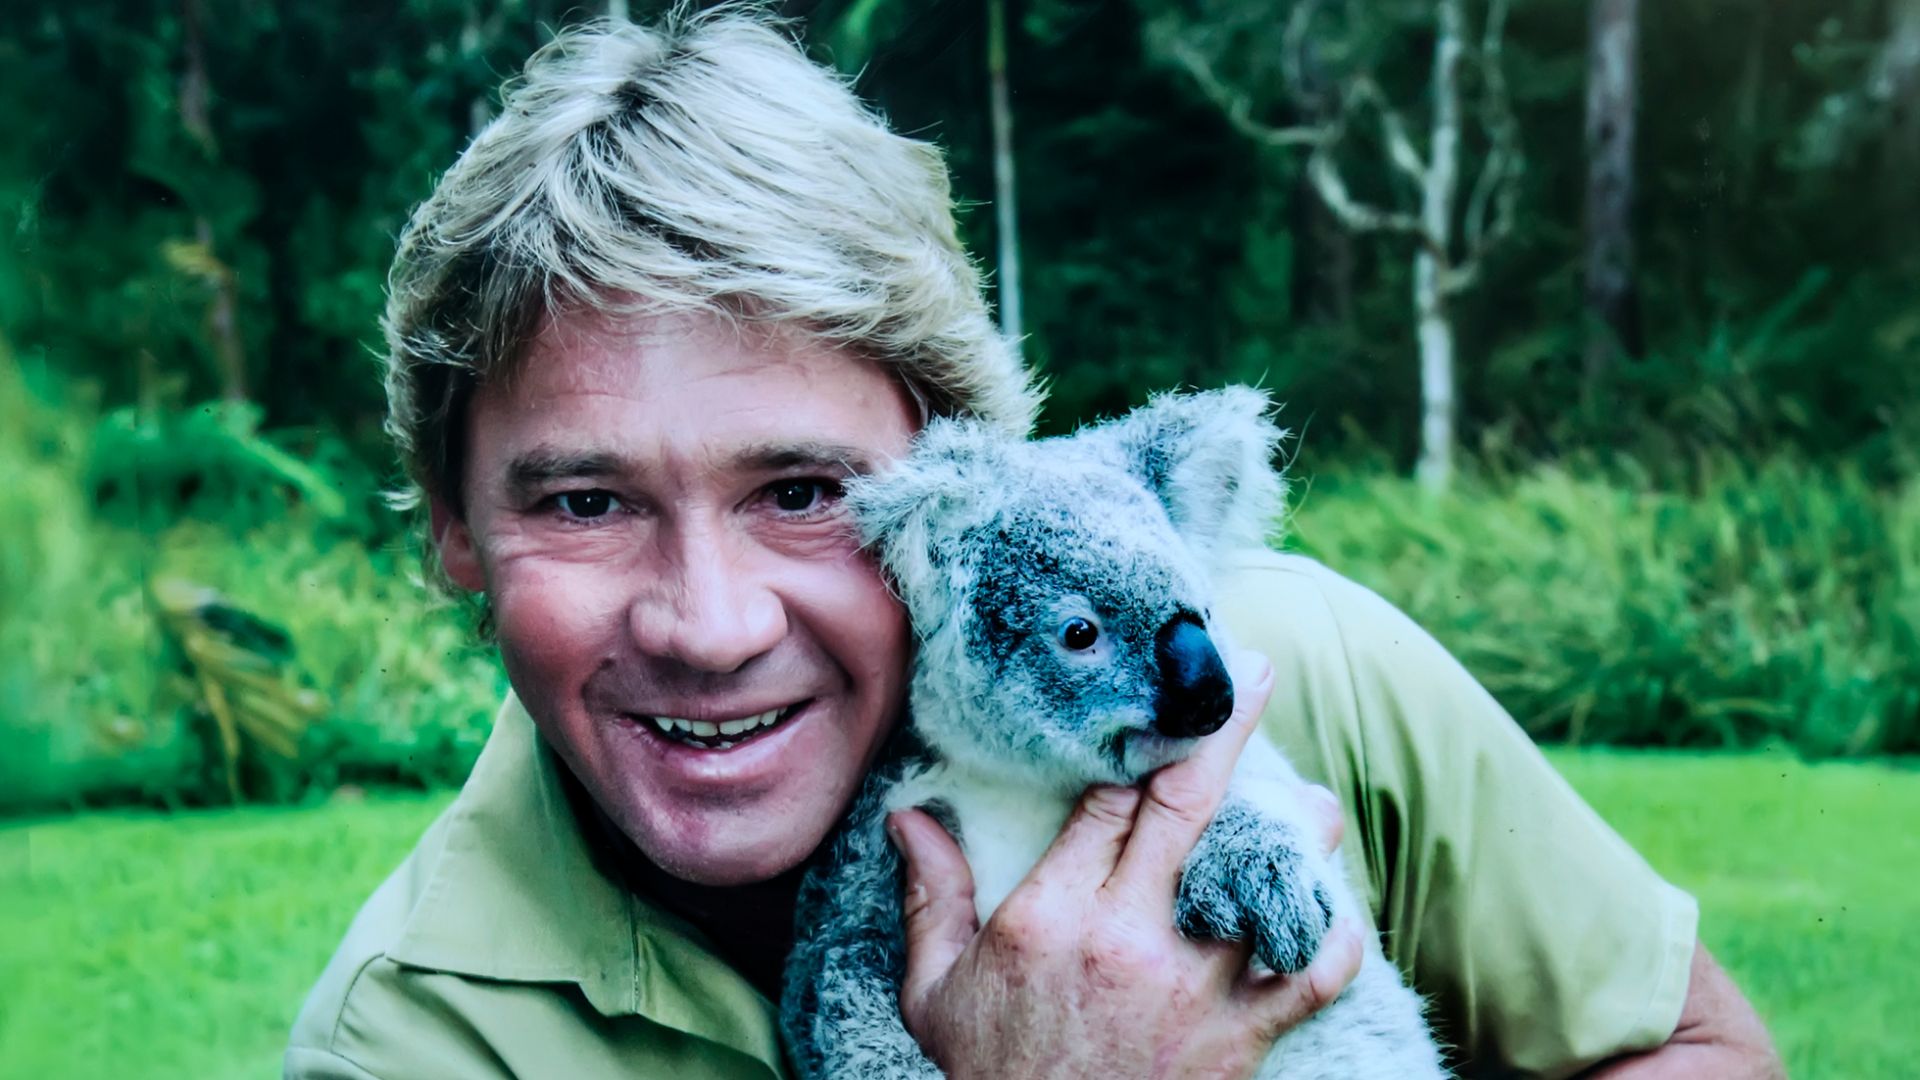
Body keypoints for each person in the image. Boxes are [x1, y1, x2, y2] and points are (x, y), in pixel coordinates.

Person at [287, 8, 1782, 1078]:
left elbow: (1702, 1048)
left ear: (965, 480)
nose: (712, 622)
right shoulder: (412, 1036)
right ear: (452, 532)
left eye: (804, 490)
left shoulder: (1288, 667)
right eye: (585, 502)